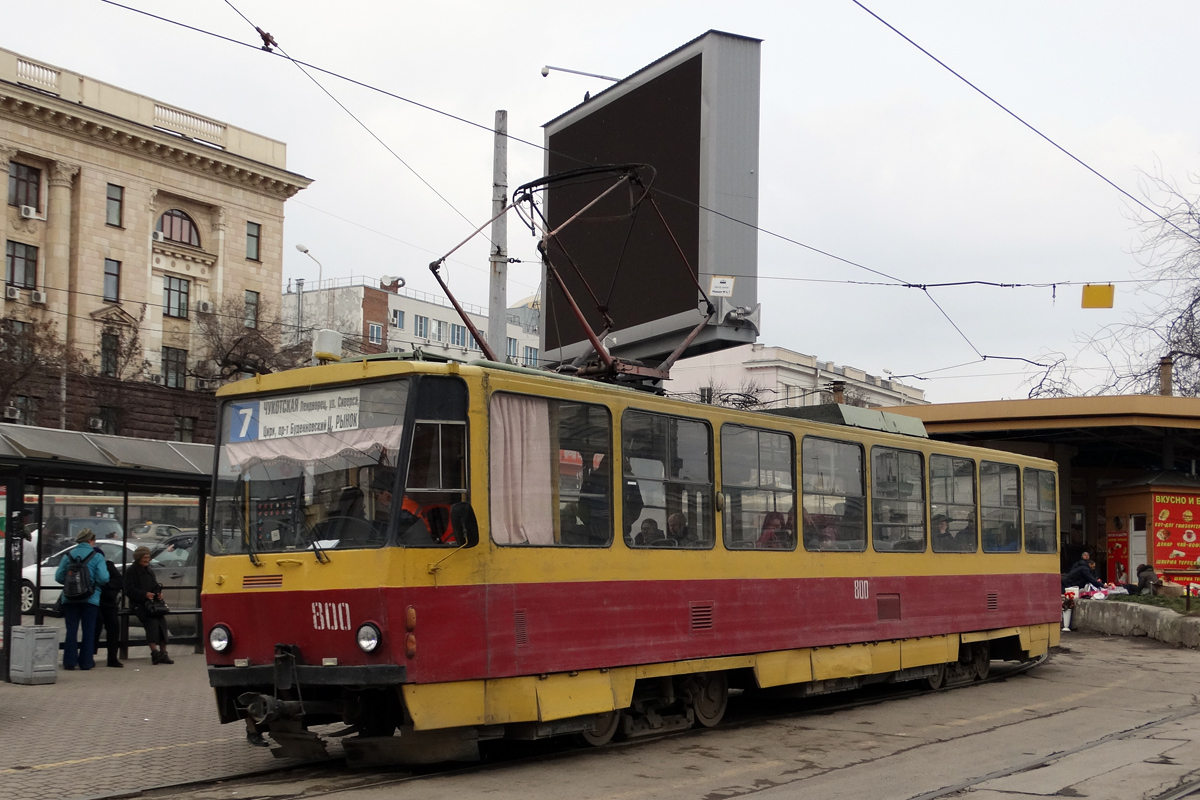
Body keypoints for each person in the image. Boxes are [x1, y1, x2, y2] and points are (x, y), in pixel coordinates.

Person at [55, 528, 110, 670]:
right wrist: (92, 585)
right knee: (89, 630)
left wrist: (72, 584)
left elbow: (59, 577)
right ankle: (86, 662)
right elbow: (104, 577)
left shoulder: (68, 555)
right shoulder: (96, 556)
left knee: (71, 630)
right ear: (90, 540)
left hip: (70, 599)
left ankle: (69, 662)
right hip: (90, 599)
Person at [124, 546, 173, 664]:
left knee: (161, 621)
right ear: (139, 557)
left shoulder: (149, 571)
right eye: (145, 557)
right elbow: (128, 590)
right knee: (151, 621)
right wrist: (144, 594)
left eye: (148, 557)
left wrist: (158, 594)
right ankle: (154, 652)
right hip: (139, 604)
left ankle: (163, 652)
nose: (147, 560)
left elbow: (155, 585)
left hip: (152, 604)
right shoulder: (132, 571)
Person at [92, 552, 123, 668]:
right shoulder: (90, 567)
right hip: (95, 603)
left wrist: (105, 584)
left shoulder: (108, 565)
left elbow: (120, 581)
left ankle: (112, 658)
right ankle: (90, 656)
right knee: (95, 628)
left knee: (114, 628)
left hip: (109, 603)